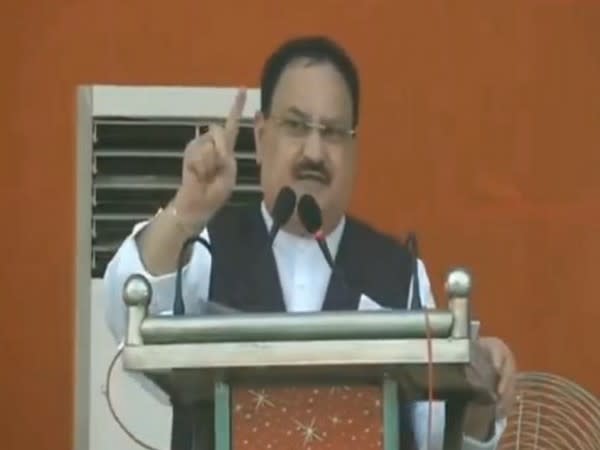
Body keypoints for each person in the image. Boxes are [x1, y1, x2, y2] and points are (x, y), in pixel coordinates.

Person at [103, 36, 517, 450]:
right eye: (296, 126)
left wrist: (482, 393)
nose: (314, 152)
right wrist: (187, 211)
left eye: (334, 132)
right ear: (262, 135)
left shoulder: (399, 273)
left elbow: (437, 433)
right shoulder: (209, 246)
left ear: (354, 149)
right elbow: (130, 314)